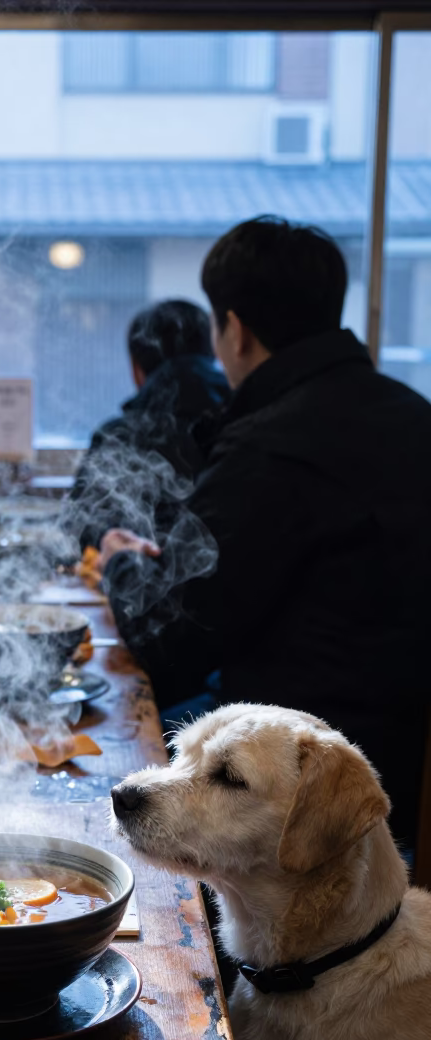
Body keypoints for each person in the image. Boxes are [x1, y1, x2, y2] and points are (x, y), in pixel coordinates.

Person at [99, 216, 431, 852]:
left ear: (235, 328)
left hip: (301, 787)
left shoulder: (269, 446)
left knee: (107, 758)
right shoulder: (413, 414)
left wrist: (120, 564)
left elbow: (170, 637)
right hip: (401, 752)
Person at [61, 299, 228, 551]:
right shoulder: (245, 427)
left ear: (136, 369)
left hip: (139, 583)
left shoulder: (118, 437)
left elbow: (78, 533)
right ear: (215, 353)